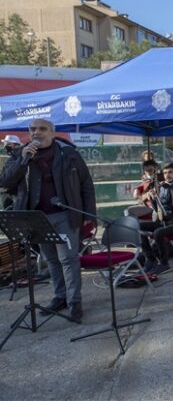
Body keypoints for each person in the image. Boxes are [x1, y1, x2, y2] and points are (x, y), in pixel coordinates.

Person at [0, 119, 95, 324]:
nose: (37, 133)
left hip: (65, 215)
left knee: (68, 260)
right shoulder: (20, 154)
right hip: (36, 218)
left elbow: (86, 184)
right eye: (32, 129)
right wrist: (22, 160)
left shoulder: (69, 154)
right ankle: (60, 296)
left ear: (52, 132)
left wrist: (89, 216)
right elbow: (5, 182)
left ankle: (74, 302)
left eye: (42, 129)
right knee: (50, 259)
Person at [1, 135, 23, 209]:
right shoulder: (13, 156)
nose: (5, 146)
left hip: (14, 193)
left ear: (15, 145)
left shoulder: (19, 156)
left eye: (7, 144)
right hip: (8, 191)